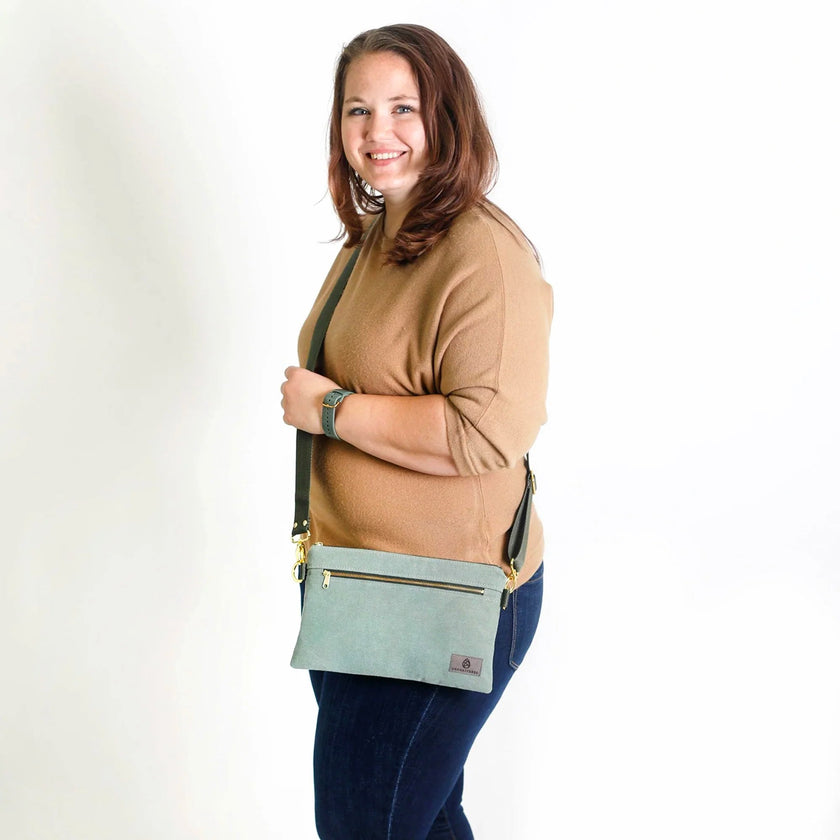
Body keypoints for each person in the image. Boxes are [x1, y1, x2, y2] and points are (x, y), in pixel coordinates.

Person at [280, 23, 552, 839]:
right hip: (362, 592)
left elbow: (488, 430)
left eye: (404, 107)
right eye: (358, 110)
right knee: (421, 822)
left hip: (443, 599)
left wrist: (330, 411)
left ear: (447, 117)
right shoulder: (375, 238)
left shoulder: (482, 254)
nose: (378, 131)